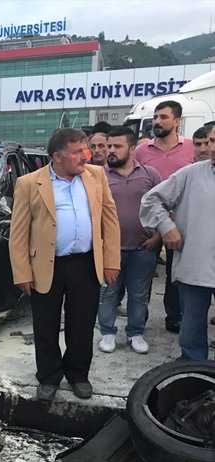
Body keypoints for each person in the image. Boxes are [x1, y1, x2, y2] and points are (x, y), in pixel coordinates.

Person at [9, 128, 120, 401]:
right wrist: (22, 271)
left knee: (81, 325)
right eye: (78, 152)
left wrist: (111, 261)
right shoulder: (28, 183)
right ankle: (48, 376)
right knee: (45, 326)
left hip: (85, 263)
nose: (86, 156)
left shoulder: (96, 177)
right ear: (57, 157)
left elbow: (110, 220)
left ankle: (78, 374)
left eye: (86, 149)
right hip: (47, 265)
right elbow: (19, 233)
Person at [140, 127, 215, 361]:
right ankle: (193, 374)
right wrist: (166, 227)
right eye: (210, 141)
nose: (211, 148)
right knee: (192, 328)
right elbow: (151, 200)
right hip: (196, 262)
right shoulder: (191, 174)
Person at [97, 127, 162, 354]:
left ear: (132, 148)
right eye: (109, 146)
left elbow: (162, 207)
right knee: (108, 293)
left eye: (117, 146)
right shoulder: (98, 176)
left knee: (139, 294)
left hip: (142, 249)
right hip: (110, 251)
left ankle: (135, 332)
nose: (111, 151)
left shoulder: (150, 175)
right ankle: (107, 332)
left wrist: (158, 236)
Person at [135, 100, 196, 334]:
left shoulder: (191, 148)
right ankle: (138, 319)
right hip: (149, 222)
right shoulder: (142, 151)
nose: (157, 121)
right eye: (155, 117)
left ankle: (175, 316)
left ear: (177, 121)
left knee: (176, 272)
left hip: (181, 224)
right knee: (143, 272)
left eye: (163, 117)